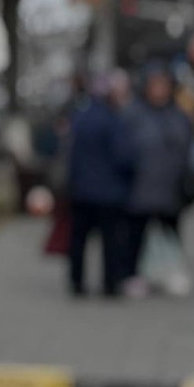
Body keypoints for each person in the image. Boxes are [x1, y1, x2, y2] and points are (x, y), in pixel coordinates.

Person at [64, 71, 137, 298]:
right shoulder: (113, 120)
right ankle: (110, 283)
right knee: (111, 241)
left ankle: (76, 281)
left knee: (79, 240)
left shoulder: (80, 116)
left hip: (81, 191)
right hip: (109, 193)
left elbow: (70, 154)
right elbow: (124, 157)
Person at [126, 66, 194, 296]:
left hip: (171, 188)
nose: (159, 90)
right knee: (137, 235)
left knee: (171, 233)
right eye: (155, 85)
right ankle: (136, 274)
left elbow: (189, 148)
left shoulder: (178, 115)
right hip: (140, 188)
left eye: (163, 85)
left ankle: (172, 272)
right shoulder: (133, 115)